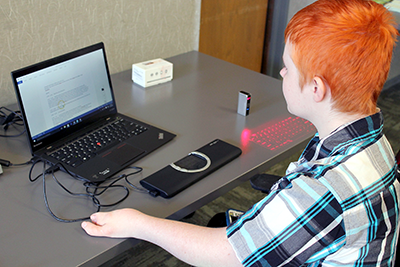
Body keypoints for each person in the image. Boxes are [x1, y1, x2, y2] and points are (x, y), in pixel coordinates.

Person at [81, 0, 400, 266]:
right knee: (221, 220)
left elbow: (226, 254)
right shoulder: (372, 138)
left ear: (316, 89)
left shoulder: (323, 187)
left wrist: (138, 223)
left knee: (215, 233)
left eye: (288, 66)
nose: (281, 72)